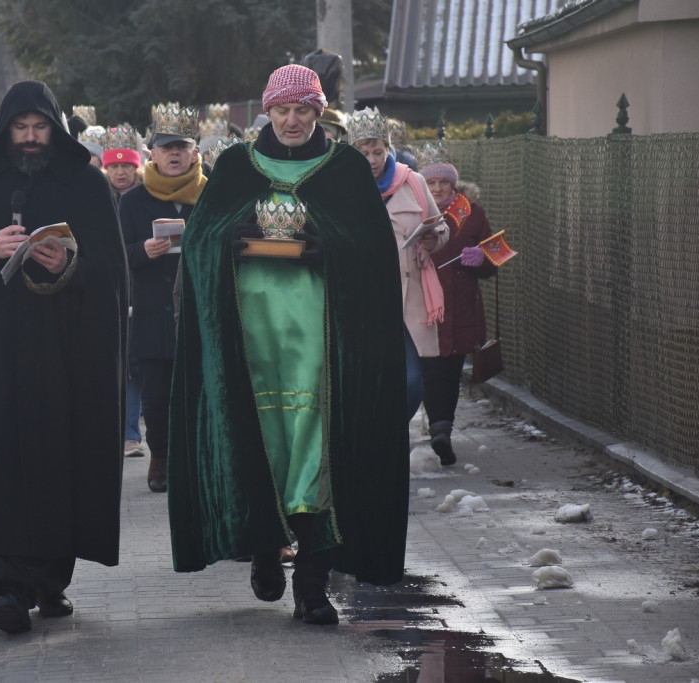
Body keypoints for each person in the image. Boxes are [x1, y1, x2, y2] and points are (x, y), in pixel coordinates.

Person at [168, 65, 409, 626]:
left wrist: (327, 245)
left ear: (319, 111)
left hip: (321, 354)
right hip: (249, 353)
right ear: (267, 113)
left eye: (303, 109)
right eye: (282, 110)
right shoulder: (233, 166)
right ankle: (262, 551)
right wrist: (234, 237)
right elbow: (203, 241)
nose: (293, 120)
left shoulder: (346, 168)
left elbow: (371, 253)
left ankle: (312, 582)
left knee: (316, 458)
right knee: (259, 449)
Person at [0, 80, 128, 634]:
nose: (32, 138)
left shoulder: (86, 185)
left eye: (41, 127)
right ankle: (5, 588)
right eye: (21, 128)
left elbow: (112, 277)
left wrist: (64, 263)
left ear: (55, 128)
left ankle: (47, 581)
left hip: (61, 359)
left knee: (54, 464)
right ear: (4, 129)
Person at [119, 103, 206, 493]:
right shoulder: (133, 200)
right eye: (166, 147)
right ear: (151, 153)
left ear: (194, 152)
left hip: (198, 310)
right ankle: (161, 457)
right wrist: (142, 251)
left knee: (199, 393)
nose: (174, 154)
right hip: (153, 311)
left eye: (182, 147)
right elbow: (116, 253)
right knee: (156, 399)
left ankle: (196, 461)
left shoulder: (210, 192)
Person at [348, 107, 448, 425]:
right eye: (364, 153)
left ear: (388, 149)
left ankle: (392, 431)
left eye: (378, 151)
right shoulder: (345, 188)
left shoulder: (413, 182)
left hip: (407, 300)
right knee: (366, 380)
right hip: (362, 302)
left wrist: (431, 242)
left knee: (411, 380)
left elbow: (440, 228)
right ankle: (375, 438)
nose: (372, 159)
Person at [418, 142, 497, 465]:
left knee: (451, 368)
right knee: (431, 367)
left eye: (443, 183)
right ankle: (439, 428)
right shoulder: (414, 211)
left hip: (462, 305)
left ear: (454, 184)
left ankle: (442, 430)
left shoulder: (473, 214)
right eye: (431, 183)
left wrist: (482, 258)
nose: (437, 189)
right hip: (423, 303)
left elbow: (493, 262)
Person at [102, 124, 146, 458]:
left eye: (126, 166)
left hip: (142, 290)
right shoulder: (98, 197)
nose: (120, 172)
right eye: (114, 166)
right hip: (110, 290)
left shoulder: (146, 199)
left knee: (135, 367)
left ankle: (132, 432)